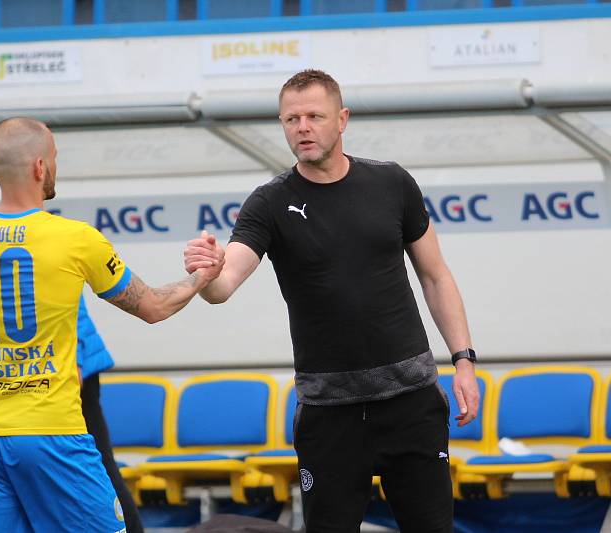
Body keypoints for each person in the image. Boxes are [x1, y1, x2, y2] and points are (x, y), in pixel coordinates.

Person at [183, 70, 480, 533]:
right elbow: (224, 286)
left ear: (341, 119)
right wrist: (209, 271)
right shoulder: (269, 202)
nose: (302, 127)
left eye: (314, 116)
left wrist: (464, 360)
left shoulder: (392, 183)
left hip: (411, 401)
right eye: (291, 119)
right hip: (329, 413)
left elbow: (435, 276)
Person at [0, 117, 220, 532]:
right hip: (53, 434)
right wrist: (202, 277)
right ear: (40, 167)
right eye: (56, 158)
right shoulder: (75, 238)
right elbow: (153, 306)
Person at [0, 164, 145, 532]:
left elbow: (63, 310)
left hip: (65, 375)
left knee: (96, 472)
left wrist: (75, 366)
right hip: (21, 388)